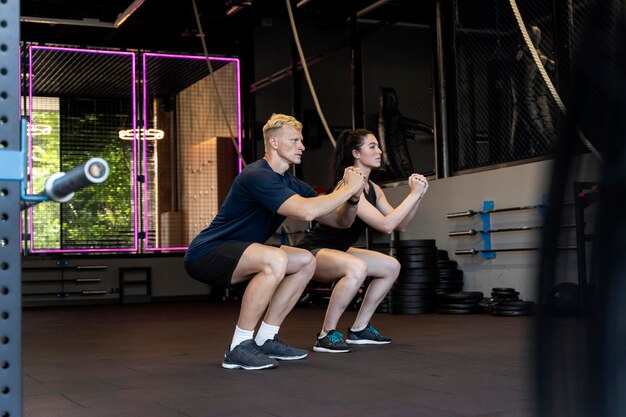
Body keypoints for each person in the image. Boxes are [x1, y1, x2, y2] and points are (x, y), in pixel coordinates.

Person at [184, 114, 365, 370]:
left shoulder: (292, 183)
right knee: (276, 258)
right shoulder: (257, 175)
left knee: (305, 260)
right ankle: (239, 346)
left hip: (244, 253)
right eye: (294, 140)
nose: (302, 146)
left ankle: (266, 337)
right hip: (207, 253)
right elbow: (306, 212)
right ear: (274, 143)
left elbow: (340, 221)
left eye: (301, 140)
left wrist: (354, 198)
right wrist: (346, 189)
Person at [297, 128, 428, 353]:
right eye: (372, 146)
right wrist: (412, 195)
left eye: (378, 145)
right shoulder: (349, 185)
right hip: (315, 250)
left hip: (340, 250)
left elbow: (401, 225)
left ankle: (359, 329)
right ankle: (326, 334)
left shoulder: (374, 189)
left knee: (391, 266)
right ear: (356, 154)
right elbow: (386, 226)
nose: (379, 151)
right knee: (357, 268)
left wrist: (418, 195)